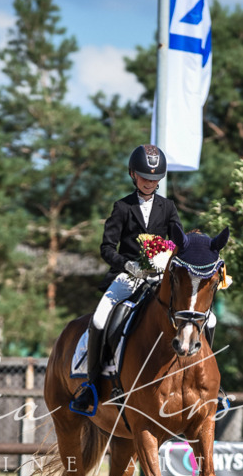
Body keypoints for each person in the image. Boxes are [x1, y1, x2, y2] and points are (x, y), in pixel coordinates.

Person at [70, 144, 182, 415]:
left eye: (154, 178)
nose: (149, 182)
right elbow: (106, 248)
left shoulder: (168, 207)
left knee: (203, 318)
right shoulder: (122, 207)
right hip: (128, 275)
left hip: (160, 277)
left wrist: (168, 261)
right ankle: (92, 384)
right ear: (133, 175)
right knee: (99, 319)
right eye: (144, 177)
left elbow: (179, 241)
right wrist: (128, 265)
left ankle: (209, 384)